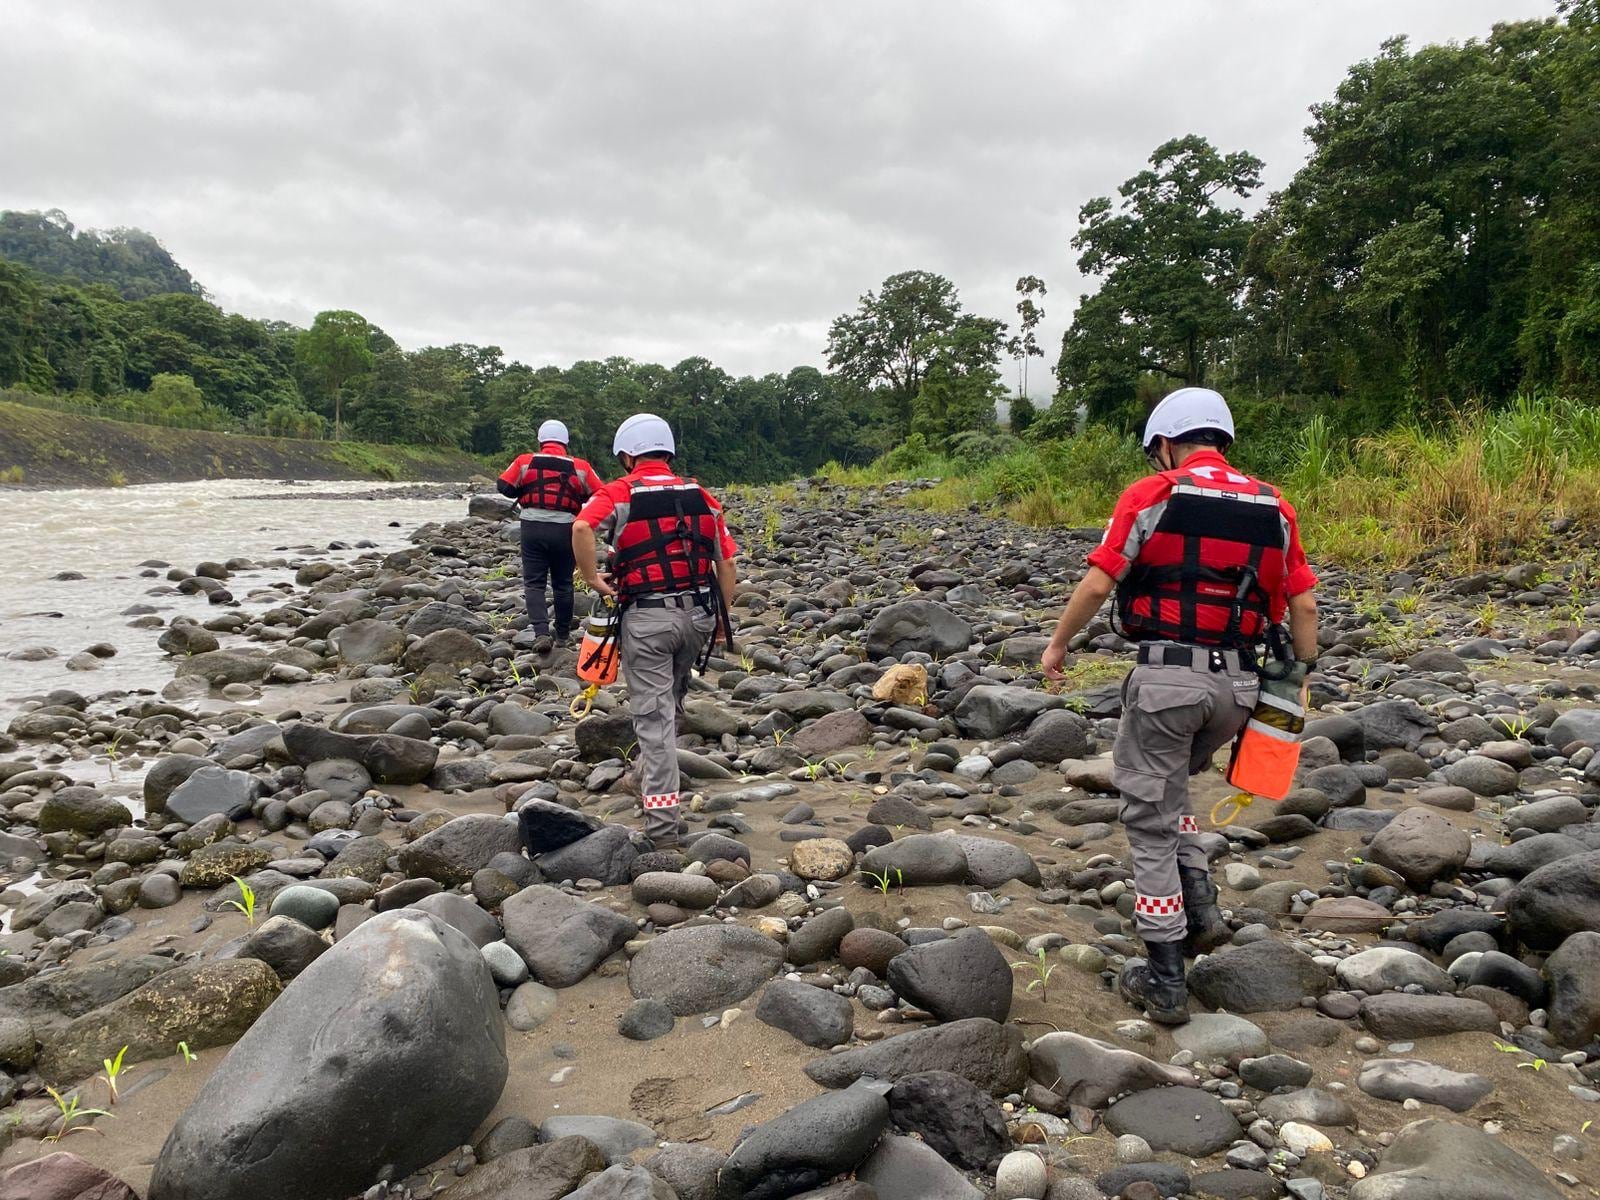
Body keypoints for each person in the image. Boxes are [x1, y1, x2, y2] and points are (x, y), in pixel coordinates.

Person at [1040, 387, 1319, 1025]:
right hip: (1239, 690)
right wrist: (1297, 675)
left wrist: (1058, 645)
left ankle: (1164, 976)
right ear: (1220, 440)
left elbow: (1098, 580)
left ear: (1166, 444)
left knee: (1147, 818)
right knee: (1170, 795)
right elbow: (1302, 607)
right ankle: (1203, 914)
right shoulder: (1275, 504)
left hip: (1169, 683)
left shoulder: (1153, 495)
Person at [572, 413, 738, 848]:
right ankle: (643, 776)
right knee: (673, 700)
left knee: (654, 719)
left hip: (647, 620)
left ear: (628, 455)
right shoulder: (702, 495)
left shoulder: (619, 492)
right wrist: (721, 620)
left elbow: (582, 526)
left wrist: (591, 577)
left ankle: (662, 826)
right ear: (667, 452)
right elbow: (727, 562)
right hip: (699, 616)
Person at [496, 420, 605, 653]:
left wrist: (523, 491)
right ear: (565, 442)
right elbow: (600, 494)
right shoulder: (581, 466)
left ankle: (541, 633)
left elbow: (503, 486)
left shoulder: (525, 461)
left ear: (541, 441)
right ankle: (563, 636)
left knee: (534, 583)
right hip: (565, 530)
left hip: (531, 528)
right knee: (563, 583)